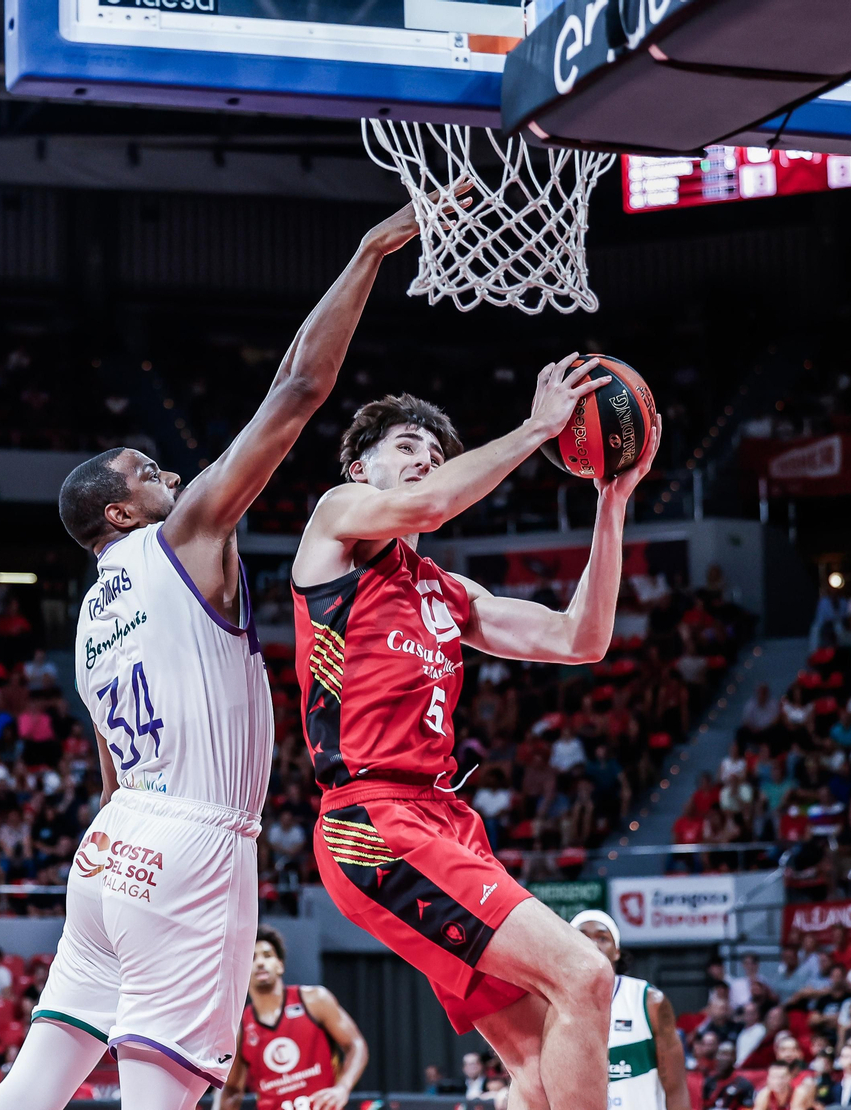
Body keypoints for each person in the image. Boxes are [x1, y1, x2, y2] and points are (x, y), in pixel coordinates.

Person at [0, 194, 439, 1110]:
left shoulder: (85, 619)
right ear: (120, 512)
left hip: (108, 850)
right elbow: (298, 392)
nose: (175, 477)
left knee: (32, 1087)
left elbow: (109, 776)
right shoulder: (183, 537)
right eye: (150, 474)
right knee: (165, 1098)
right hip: (194, 842)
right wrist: (370, 250)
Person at [291, 363, 658, 1110]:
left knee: (537, 1064)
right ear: (363, 467)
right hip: (372, 820)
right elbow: (432, 499)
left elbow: (580, 638)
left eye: (435, 449)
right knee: (586, 975)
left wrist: (612, 502)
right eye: (406, 445)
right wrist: (535, 429)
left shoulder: (449, 594)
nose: (424, 457)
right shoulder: (337, 520)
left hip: (445, 821)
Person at [218, 925, 369, 1110]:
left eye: (267, 955)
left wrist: (343, 1088)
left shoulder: (314, 1000)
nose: (260, 963)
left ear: (280, 965)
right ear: (242, 971)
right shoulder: (240, 1027)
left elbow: (356, 1044)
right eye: (252, 958)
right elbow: (231, 1089)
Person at [572, 911, 690, 1110]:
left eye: (602, 938)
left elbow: (676, 1088)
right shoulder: (548, 1004)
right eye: (582, 937)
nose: (592, 944)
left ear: (616, 951)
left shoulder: (648, 1001)